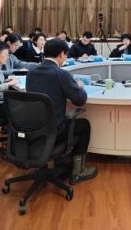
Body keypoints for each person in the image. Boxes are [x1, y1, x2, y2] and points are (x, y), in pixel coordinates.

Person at [26, 38, 98, 184]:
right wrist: (78, 86)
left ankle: (62, 160)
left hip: (32, 129)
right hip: (54, 131)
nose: (65, 58)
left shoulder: (31, 72)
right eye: (65, 55)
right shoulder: (60, 74)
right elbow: (80, 100)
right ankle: (78, 171)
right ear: (61, 54)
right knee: (84, 125)